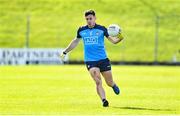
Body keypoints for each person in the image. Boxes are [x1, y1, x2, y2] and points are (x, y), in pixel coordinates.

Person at [60, 9, 124, 107]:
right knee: (98, 81)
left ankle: (113, 85)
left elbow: (113, 41)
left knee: (109, 82)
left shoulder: (102, 29)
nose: (89, 21)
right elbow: (75, 42)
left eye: (90, 18)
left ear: (95, 18)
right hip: (91, 61)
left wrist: (120, 37)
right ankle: (104, 100)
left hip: (103, 60)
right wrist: (65, 51)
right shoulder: (81, 30)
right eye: (87, 19)